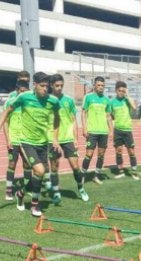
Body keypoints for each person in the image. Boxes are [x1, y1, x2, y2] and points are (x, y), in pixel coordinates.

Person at [0, 72, 60, 217]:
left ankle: (20, 193)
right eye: (42, 86)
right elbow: (7, 112)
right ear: (34, 85)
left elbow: (57, 119)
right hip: (27, 142)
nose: (45, 89)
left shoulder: (53, 101)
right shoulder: (24, 97)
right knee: (40, 171)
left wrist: (54, 138)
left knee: (38, 174)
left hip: (43, 143)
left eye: (47, 86)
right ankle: (35, 204)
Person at [48, 73, 89, 203]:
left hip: (68, 139)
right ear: (51, 86)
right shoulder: (46, 100)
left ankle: (81, 188)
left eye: (61, 85)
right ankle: (55, 192)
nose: (59, 88)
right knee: (54, 167)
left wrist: (75, 139)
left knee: (75, 166)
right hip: (53, 140)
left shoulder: (69, 100)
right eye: (57, 85)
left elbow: (73, 121)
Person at [80, 76, 112, 185]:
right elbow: (83, 113)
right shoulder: (88, 97)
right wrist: (84, 128)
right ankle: (82, 176)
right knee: (89, 154)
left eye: (102, 85)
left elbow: (108, 116)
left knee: (101, 155)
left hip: (103, 132)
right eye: (98, 85)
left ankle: (96, 176)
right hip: (92, 131)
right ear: (94, 85)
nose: (100, 87)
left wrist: (111, 131)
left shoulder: (107, 100)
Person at [3, 76, 31, 201]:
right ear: (17, 91)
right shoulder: (10, 103)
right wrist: (8, 139)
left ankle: (27, 187)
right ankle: (9, 190)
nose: (23, 93)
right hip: (14, 139)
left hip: (26, 140)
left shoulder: (30, 104)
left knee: (27, 164)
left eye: (25, 91)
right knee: (12, 164)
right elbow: (5, 122)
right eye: (21, 91)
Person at [110, 80, 140, 180]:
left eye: (123, 91)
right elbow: (110, 116)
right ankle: (121, 171)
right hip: (117, 130)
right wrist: (111, 130)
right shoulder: (112, 102)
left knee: (131, 151)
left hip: (127, 130)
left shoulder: (127, 101)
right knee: (118, 151)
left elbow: (135, 107)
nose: (121, 92)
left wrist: (128, 95)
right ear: (116, 90)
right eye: (119, 90)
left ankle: (134, 172)